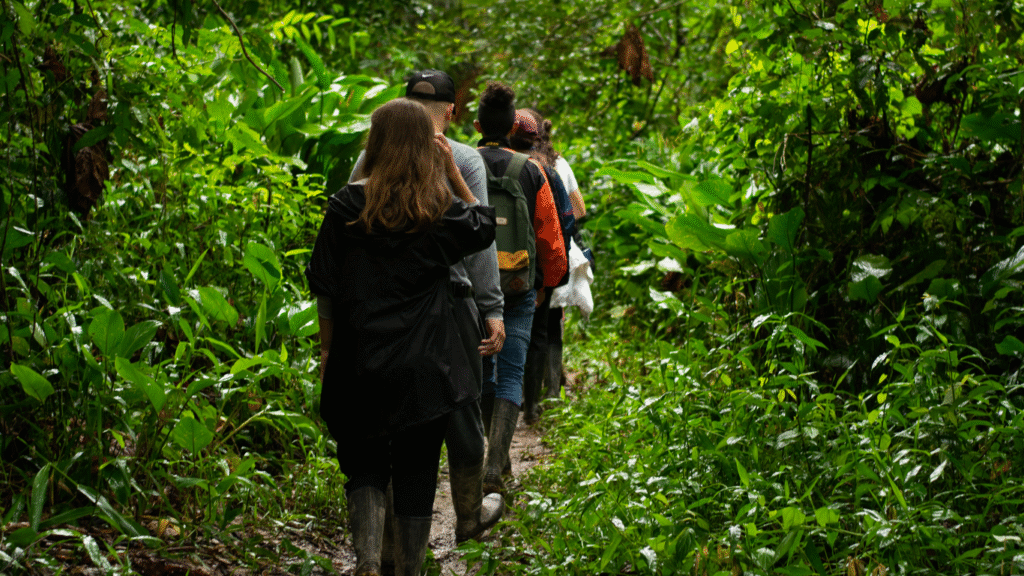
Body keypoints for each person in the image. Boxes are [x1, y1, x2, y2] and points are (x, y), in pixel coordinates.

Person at [307, 98, 496, 576]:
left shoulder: (346, 205)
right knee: (416, 467)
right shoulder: (436, 208)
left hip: (358, 357)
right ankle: (408, 569)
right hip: (425, 363)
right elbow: (483, 226)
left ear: (376, 142)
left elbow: (324, 287)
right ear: (424, 148)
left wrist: (327, 350)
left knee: (364, 462)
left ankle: (369, 563)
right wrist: (453, 171)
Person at [349, 69, 506, 559]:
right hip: (450, 307)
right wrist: (493, 307)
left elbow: (347, 217)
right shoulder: (460, 157)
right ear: (452, 112)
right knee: (460, 411)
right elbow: (481, 237)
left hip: (375, 310)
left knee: (387, 427)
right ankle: (467, 514)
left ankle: (386, 546)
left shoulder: (370, 156)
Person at [474, 82, 567, 494]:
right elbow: (551, 237)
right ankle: (495, 466)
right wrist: (547, 283)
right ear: (513, 125)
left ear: (476, 124)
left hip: (473, 290)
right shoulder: (532, 170)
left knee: (483, 373)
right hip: (518, 286)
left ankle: (495, 457)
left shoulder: (459, 162)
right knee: (511, 369)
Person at [508, 109, 576, 425]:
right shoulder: (545, 171)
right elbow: (562, 225)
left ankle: (497, 408)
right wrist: (549, 281)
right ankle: (531, 405)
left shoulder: (477, 163)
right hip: (530, 273)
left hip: (485, 271)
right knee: (536, 335)